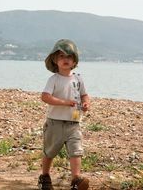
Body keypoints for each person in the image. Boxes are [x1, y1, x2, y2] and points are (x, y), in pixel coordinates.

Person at [38, 39, 90, 190]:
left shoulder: (78, 78)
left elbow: (85, 95)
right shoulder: (53, 79)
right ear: (55, 60)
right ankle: (45, 176)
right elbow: (45, 97)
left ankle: (76, 179)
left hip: (74, 123)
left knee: (76, 151)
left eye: (69, 56)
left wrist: (86, 103)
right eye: (61, 56)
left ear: (74, 61)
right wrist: (64, 102)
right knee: (50, 151)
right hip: (55, 122)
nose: (65, 59)